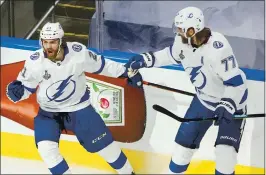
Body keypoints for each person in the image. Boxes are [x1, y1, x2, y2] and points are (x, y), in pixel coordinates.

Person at [124, 7, 248, 175]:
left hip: (232, 103)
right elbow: (170, 55)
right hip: (203, 100)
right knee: (182, 148)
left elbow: (236, 84)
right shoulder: (182, 42)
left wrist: (227, 105)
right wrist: (147, 59)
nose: (178, 32)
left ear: (192, 30)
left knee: (225, 154)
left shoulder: (218, 49)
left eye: (182, 29)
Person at [6, 22, 142, 175]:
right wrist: (16, 93)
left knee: (106, 147)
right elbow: (25, 87)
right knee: (46, 150)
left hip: (79, 109)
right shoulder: (34, 61)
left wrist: (126, 72)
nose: (48, 46)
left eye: (52, 42)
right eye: (45, 42)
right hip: (49, 114)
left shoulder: (78, 53)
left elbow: (101, 65)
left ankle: (128, 172)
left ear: (61, 41)